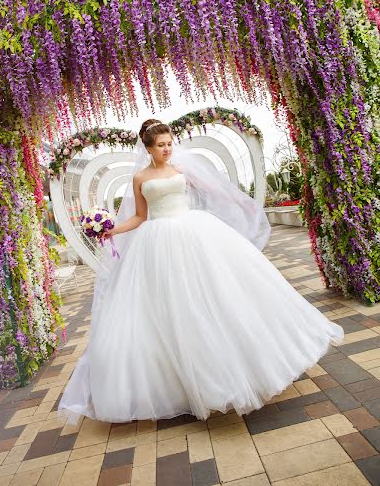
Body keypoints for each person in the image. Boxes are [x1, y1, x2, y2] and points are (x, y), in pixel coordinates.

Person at [58, 119, 344, 424]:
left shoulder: (181, 168)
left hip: (194, 231)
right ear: (149, 148)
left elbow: (214, 188)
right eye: (161, 145)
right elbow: (141, 216)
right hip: (157, 240)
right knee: (171, 307)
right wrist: (112, 231)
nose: (167, 149)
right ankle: (178, 384)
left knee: (218, 294)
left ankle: (245, 365)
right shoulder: (140, 177)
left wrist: (240, 201)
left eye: (169, 143)